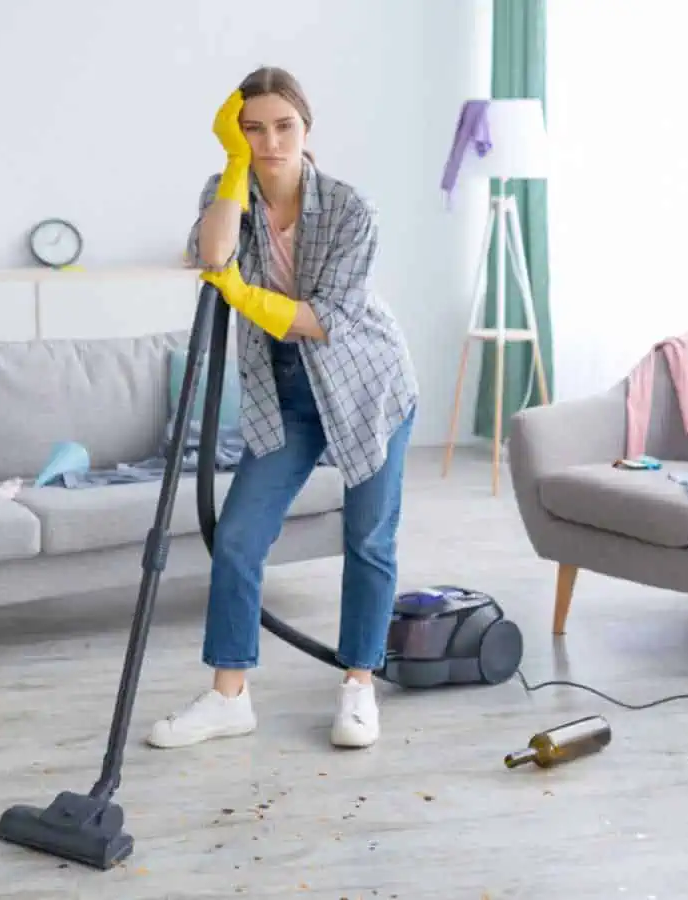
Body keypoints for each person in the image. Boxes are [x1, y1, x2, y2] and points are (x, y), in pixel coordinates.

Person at [147, 66, 420, 751]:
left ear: (307, 128)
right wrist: (233, 165)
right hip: (283, 392)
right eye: (252, 129)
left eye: (283, 126)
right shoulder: (227, 191)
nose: (270, 141)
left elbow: (328, 319)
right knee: (238, 537)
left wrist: (240, 295)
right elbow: (209, 253)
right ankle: (228, 696)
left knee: (367, 539)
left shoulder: (352, 208)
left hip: (367, 388)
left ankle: (359, 687)